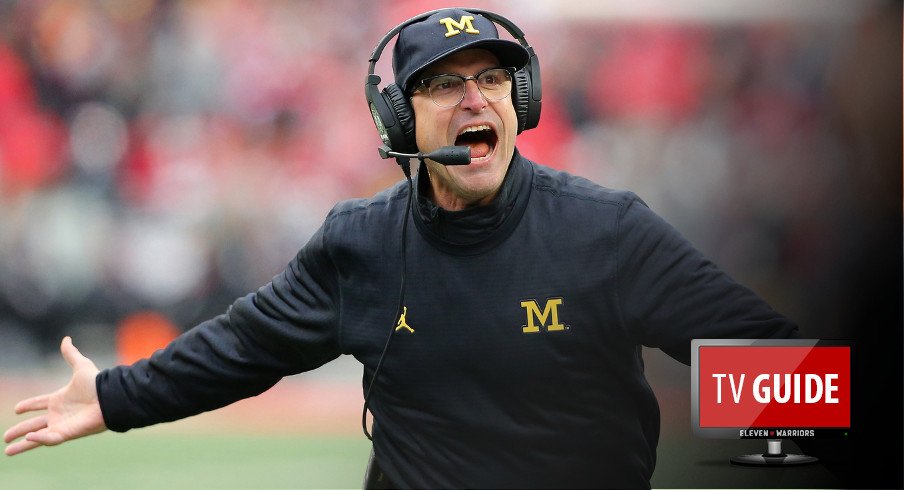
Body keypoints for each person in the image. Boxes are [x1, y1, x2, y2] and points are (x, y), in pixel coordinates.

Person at [3, 8, 799, 489]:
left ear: (521, 102)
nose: (475, 98)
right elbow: (243, 349)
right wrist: (112, 398)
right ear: (398, 122)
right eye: (444, 84)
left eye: (493, 78)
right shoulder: (362, 245)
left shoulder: (607, 232)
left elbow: (768, 367)